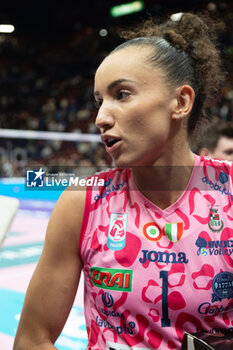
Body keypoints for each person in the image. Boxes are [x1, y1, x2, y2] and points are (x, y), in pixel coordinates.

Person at [13, 12, 233, 350]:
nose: (100, 118)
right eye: (99, 101)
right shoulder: (81, 203)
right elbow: (32, 339)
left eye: (123, 94)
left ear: (181, 101)